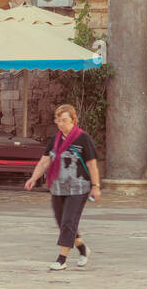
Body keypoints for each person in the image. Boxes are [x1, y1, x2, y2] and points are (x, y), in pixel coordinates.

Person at [24, 104, 100, 271]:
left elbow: (92, 164)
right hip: (58, 188)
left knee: (68, 221)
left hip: (79, 188)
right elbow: (45, 161)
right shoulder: (54, 140)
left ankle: (61, 259)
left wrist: (96, 186)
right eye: (58, 120)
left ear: (73, 120)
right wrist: (34, 178)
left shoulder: (83, 138)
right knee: (63, 223)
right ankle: (82, 248)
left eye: (64, 120)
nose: (61, 124)